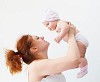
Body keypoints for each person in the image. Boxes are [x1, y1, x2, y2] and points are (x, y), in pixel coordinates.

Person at [5, 25, 82, 82]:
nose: (42, 37)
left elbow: (76, 60)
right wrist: (70, 34)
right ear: (34, 49)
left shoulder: (44, 65)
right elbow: (74, 60)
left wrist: (66, 35)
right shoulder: (35, 66)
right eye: (37, 38)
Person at [42, 9, 89, 78]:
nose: (48, 27)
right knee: (78, 57)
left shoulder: (60, 22)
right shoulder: (59, 25)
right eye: (46, 27)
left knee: (79, 57)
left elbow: (66, 27)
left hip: (79, 40)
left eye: (48, 24)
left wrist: (59, 37)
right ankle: (82, 68)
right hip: (79, 41)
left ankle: (84, 69)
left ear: (53, 19)